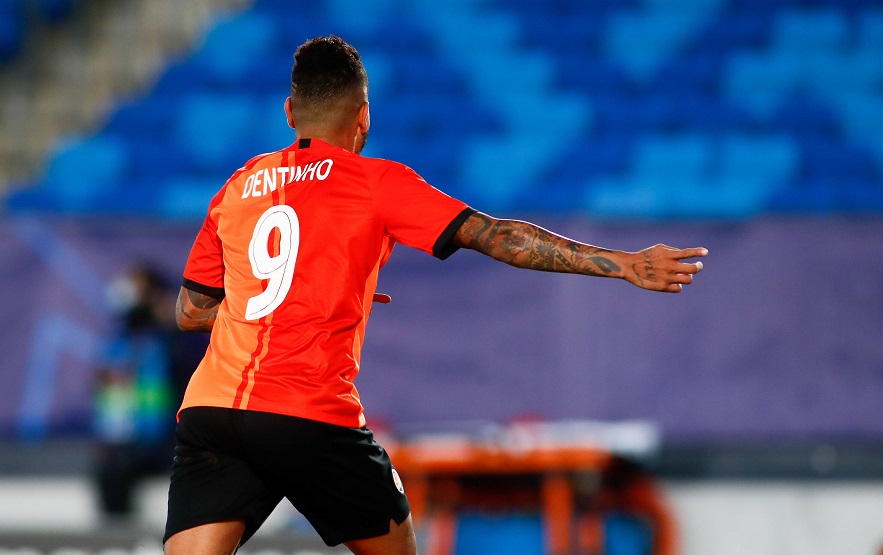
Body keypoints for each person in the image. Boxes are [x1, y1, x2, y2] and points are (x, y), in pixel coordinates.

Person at [163, 35, 707, 555]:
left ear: (289, 112)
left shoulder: (236, 186)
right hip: (307, 411)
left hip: (211, 409)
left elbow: (191, 312)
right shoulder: (376, 182)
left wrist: (302, 296)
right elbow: (500, 236)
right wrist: (624, 264)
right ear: (364, 115)